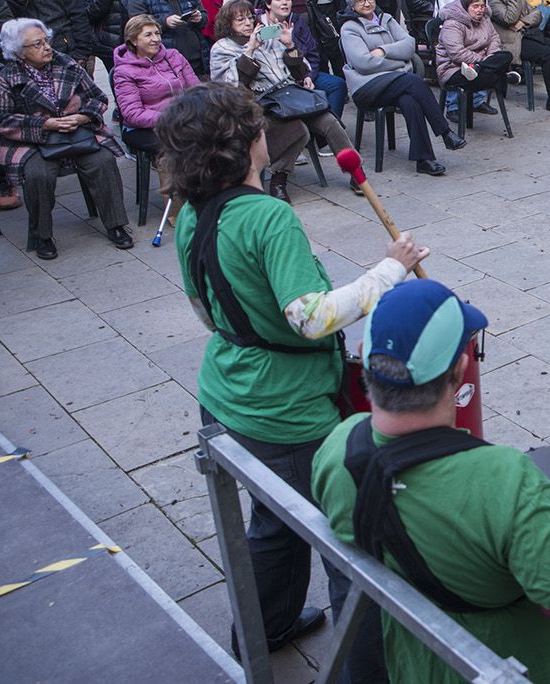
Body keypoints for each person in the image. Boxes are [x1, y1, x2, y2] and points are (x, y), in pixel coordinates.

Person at [158, 82, 425, 673]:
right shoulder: (267, 217)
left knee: (275, 523)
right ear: (247, 144)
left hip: (224, 392)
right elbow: (312, 316)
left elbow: (204, 308)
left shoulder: (189, 213)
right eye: (258, 127)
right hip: (287, 411)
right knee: (346, 543)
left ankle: (263, 629)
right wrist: (391, 270)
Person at [312, 277, 550, 684]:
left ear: (366, 356)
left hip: (419, 665)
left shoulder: (337, 449)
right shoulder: (503, 481)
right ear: (459, 368)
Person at [0, 18, 133, 259]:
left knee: (103, 160)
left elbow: (97, 98)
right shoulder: (6, 79)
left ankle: (116, 225)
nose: (46, 47)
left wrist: (82, 118)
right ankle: (42, 235)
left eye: (46, 40)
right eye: (37, 44)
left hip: (77, 132)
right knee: (38, 174)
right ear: (19, 52)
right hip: (32, 141)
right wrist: (43, 124)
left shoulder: (66, 64)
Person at [210, 0, 355, 188]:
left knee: (330, 122)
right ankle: (278, 180)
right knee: (298, 130)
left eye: (249, 18)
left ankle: (356, 172)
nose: (247, 23)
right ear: (228, 23)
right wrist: (251, 50)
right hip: (258, 105)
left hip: (290, 96)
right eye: (240, 20)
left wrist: (289, 45)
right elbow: (233, 88)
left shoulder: (268, 38)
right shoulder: (222, 48)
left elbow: (300, 73)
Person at [339, 0, 465, 176]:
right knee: (414, 81)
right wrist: (400, 63)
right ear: (351, 3)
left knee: (410, 101)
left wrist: (383, 50)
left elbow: (409, 44)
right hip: (367, 87)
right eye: (360, 0)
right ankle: (445, 132)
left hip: (395, 83)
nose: (366, 3)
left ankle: (423, 159)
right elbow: (364, 63)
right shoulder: (350, 28)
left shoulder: (387, 19)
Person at [111, 14, 199, 209]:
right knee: (172, 150)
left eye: (157, 33)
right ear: (133, 40)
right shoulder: (125, 71)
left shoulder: (174, 56)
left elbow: (196, 89)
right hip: (145, 127)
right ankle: (177, 211)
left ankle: (214, 201)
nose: (156, 39)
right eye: (148, 35)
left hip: (183, 119)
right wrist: (170, 119)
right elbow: (132, 113)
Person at [262, 0, 348, 122]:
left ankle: (329, 128)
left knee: (337, 85)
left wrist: (309, 76)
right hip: (280, 81)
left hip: (304, 72)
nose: (284, 2)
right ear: (268, 4)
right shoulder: (261, 27)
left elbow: (313, 54)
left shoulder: (297, 21)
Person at [436, 0, 512, 121]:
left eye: (482, 6)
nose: (480, 10)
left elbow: (494, 38)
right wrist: (483, 60)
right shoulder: (452, 24)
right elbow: (457, 54)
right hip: (454, 68)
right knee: (493, 76)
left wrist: (488, 58)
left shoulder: (484, 19)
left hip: (477, 67)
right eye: (475, 6)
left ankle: (484, 77)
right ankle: (504, 76)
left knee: (507, 55)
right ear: (466, 7)